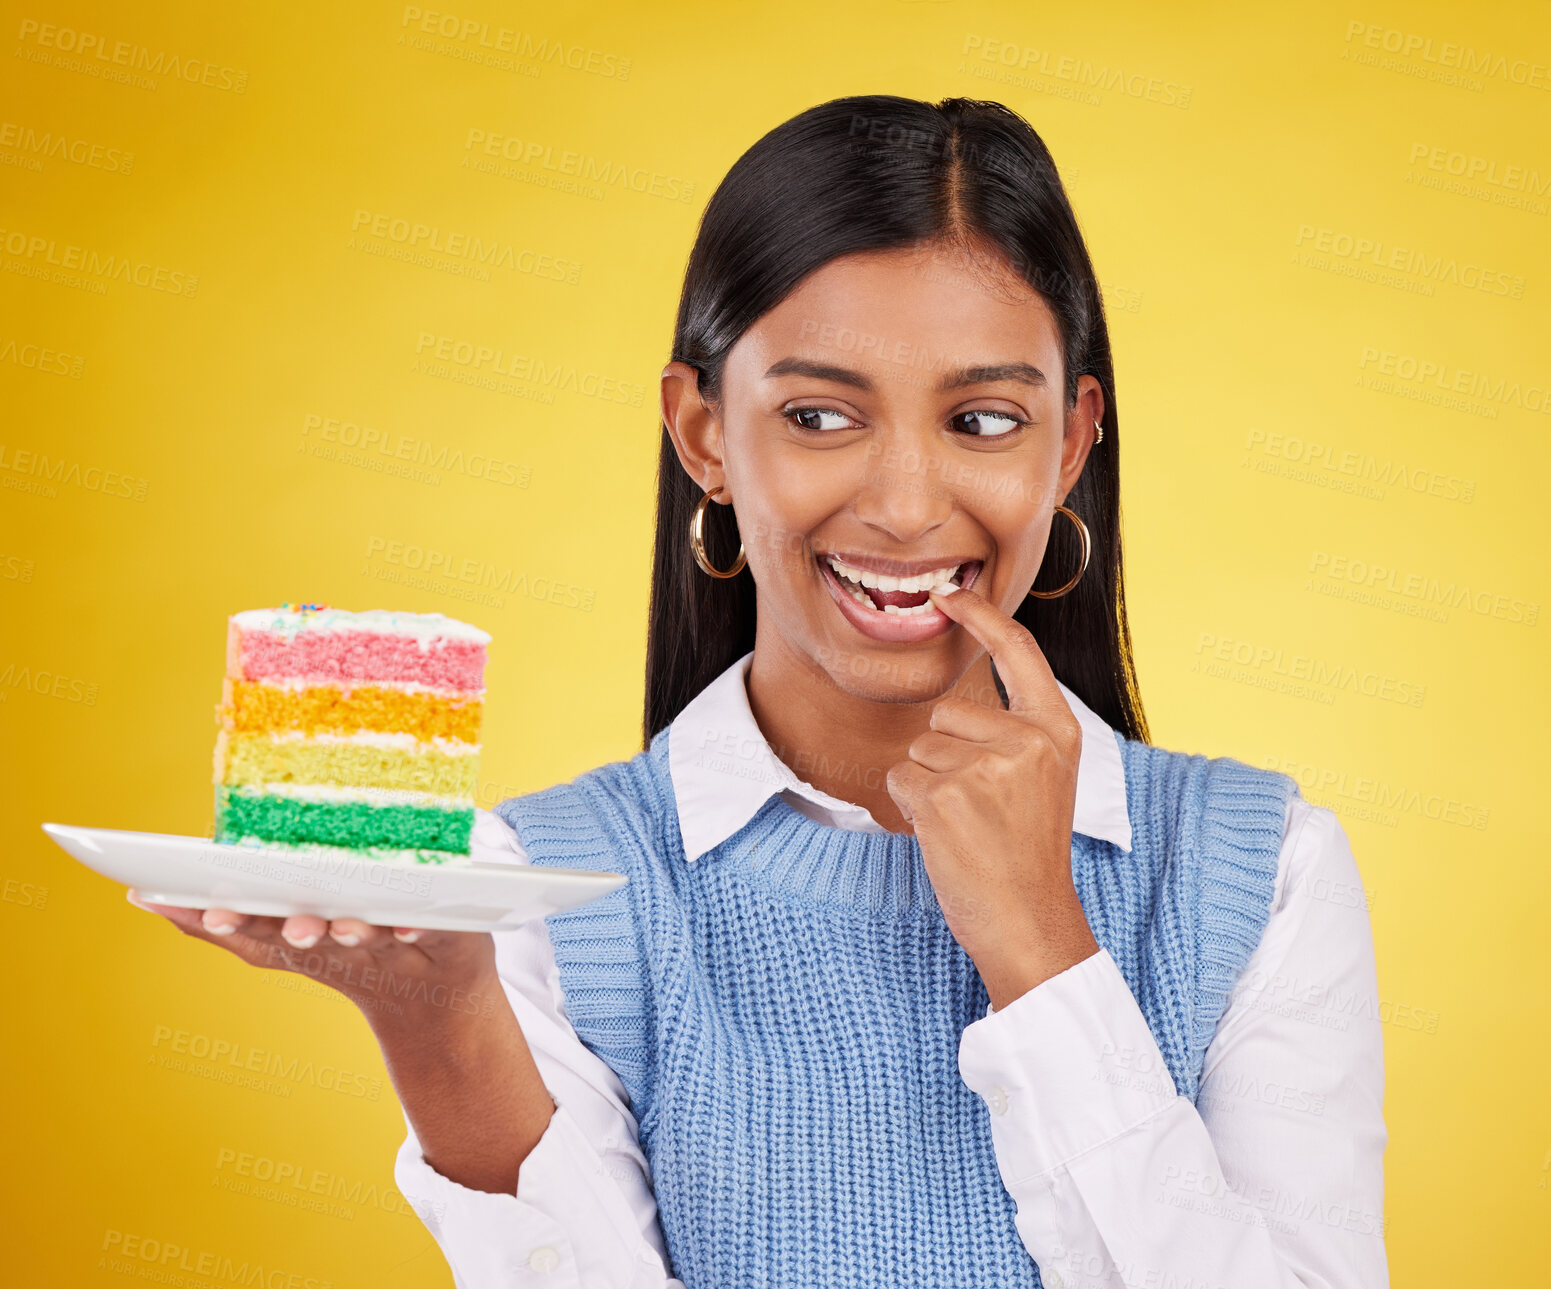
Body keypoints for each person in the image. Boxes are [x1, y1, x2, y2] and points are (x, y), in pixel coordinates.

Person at [130, 94, 1388, 1288]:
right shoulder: (538, 884)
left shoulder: (1261, 869)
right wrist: (439, 1018)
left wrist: (1042, 946)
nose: (905, 503)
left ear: (1069, 443)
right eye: (821, 415)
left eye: (986, 420)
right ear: (704, 435)